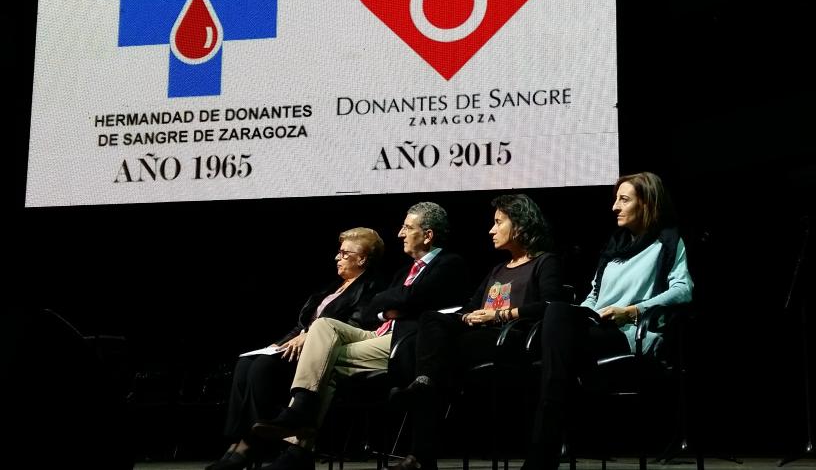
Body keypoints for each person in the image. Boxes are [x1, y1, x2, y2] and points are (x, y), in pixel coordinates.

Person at [251, 202, 471, 470]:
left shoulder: (449, 263)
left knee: (325, 362)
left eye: (407, 227)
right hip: (376, 334)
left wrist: (392, 303)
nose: (400, 234)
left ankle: (298, 449)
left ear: (428, 235)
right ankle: (300, 407)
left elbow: (414, 298)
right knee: (323, 325)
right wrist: (389, 308)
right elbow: (370, 311)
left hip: (406, 343)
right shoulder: (403, 273)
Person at [523, 172, 694, 470]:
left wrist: (632, 311)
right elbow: (594, 296)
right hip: (596, 329)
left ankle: (545, 450)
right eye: (616, 199)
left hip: (629, 334)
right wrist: (586, 312)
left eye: (624, 199)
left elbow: (683, 290)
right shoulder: (614, 248)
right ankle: (550, 447)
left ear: (647, 203)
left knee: (554, 351)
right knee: (559, 313)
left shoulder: (668, 241)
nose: (615, 206)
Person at [388, 194, 568, 470]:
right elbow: (470, 306)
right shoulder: (498, 269)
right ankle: (423, 385)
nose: (491, 230)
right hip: (479, 338)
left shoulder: (544, 262)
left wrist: (499, 315)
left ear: (519, 225)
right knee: (431, 322)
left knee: (435, 360)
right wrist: (468, 316)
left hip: (514, 340)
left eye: (498, 223)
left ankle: (422, 451)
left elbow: (552, 306)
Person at [205, 227, 386, 470]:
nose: (337, 257)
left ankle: (251, 445)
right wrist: (278, 344)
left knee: (262, 367)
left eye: (344, 253)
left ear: (362, 258)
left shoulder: (372, 287)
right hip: (298, 346)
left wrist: (309, 336)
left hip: (321, 353)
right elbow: (302, 325)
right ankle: (237, 441)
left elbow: (355, 325)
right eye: (339, 252)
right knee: (245, 363)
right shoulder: (331, 289)